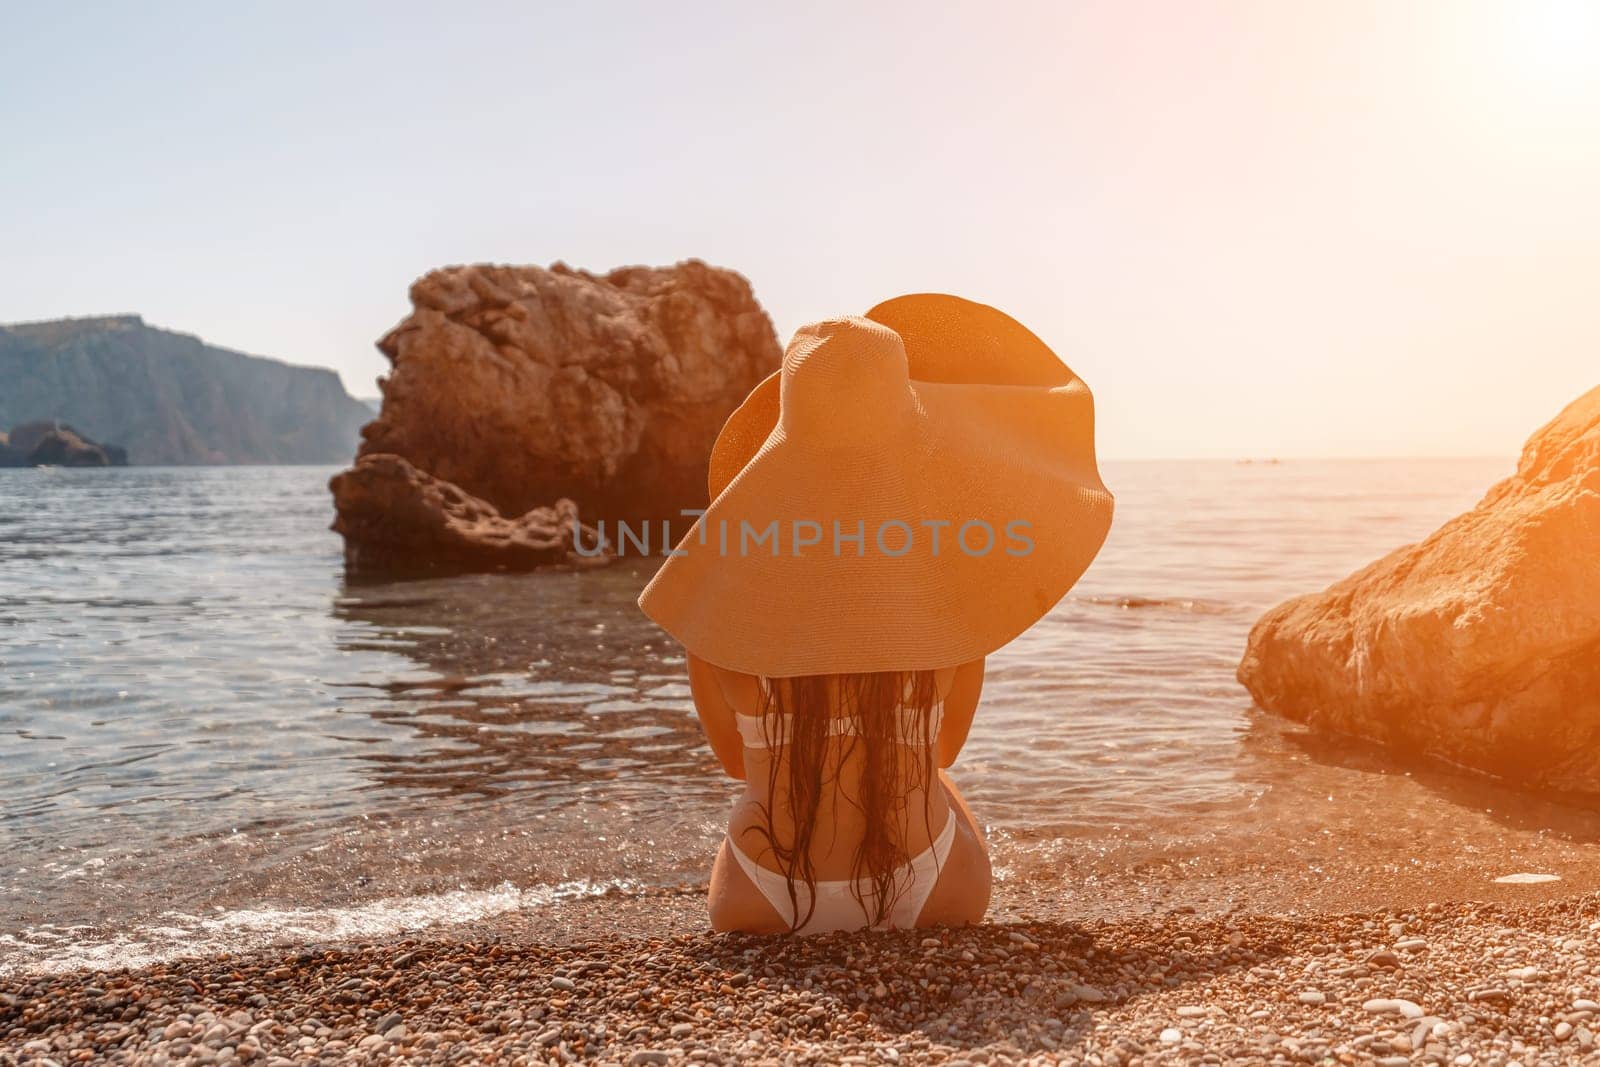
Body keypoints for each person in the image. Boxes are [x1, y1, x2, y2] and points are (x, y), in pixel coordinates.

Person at [639, 294, 1113, 934]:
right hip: (934, 884)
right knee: (933, 776)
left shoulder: (719, 599)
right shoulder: (950, 585)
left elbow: (732, 762)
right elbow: (944, 750)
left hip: (761, 898)